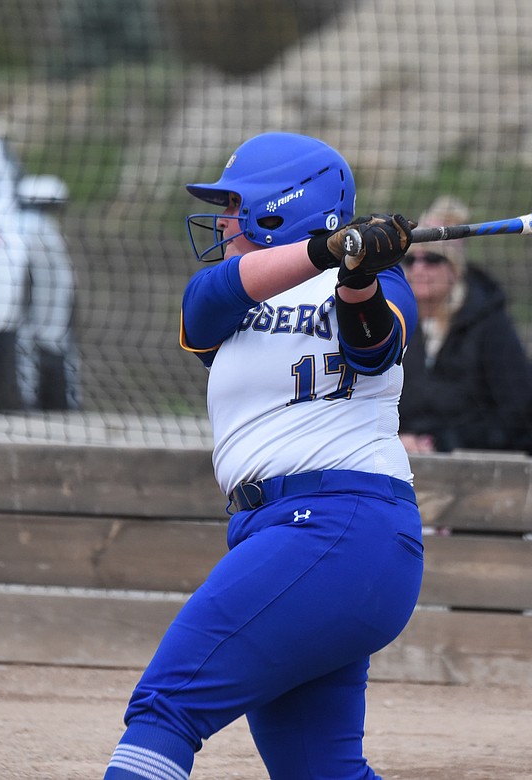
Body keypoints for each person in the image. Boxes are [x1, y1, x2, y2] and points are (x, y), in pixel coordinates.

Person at [101, 132, 424, 779]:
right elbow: (209, 303)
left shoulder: (381, 282)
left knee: (167, 705)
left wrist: (356, 276)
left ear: (281, 207)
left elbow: (373, 345)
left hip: (339, 526)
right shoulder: (224, 296)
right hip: (283, 536)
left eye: (234, 207)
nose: (222, 222)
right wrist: (322, 252)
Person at [398, 195, 532, 455]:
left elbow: (517, 414)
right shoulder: (396, 323)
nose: (419, 268)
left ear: (454, 269)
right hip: (401, 455)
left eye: (432, 260)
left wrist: (440, 443)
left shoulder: (488, 323)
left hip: (471, 461)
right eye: (411, 260)